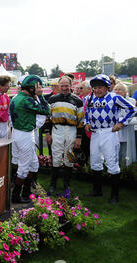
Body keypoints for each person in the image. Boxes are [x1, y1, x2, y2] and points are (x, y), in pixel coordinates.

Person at [85, 74, 135, 204]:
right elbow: (86, 113)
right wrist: (87, 122)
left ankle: (115, 195)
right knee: (95, 161)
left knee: (112, 163)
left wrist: (122, 123)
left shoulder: (115, 97)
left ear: (107, 87)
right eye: (95, 88)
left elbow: (132, 109)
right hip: (95, 133)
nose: (97, 90)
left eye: (100, 87)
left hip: (109, 132)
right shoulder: (90, 98)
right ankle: (97, 190)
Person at [9, 75, 50, 203]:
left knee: (34, 164)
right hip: (25, 134)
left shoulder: (16, 98)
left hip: (18, 133)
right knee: (24, 167)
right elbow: (46, 110)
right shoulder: (27, 100)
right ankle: (16, 195)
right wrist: (41, 96)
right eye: (37, 87)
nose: (39, 89)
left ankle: (26, 193)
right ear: (32, 88)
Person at [44, 76, 84, 195]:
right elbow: (47, 118)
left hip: (72, 130)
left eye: (67, 85)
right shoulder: (52, 99)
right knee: (55, 157)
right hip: (57, 129)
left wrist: (79, 137)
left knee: (69, 158)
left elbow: (81, 120)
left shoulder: (77, 100)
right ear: (59, 86)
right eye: (62, 86)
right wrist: (47, 133)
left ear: (71, 86)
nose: (64, 88)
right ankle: (53, 184)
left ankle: (67, 185)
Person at [113, 82, 136, 167]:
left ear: (126, 92)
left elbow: (132, 114)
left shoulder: (132, 101)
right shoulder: (111, 101)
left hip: (127, 130)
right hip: (115, 130)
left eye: (120, 90)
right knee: (115, 151)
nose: (117, 91)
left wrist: (122, 121)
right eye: (116, 89)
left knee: (126, 151)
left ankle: (126, 169)